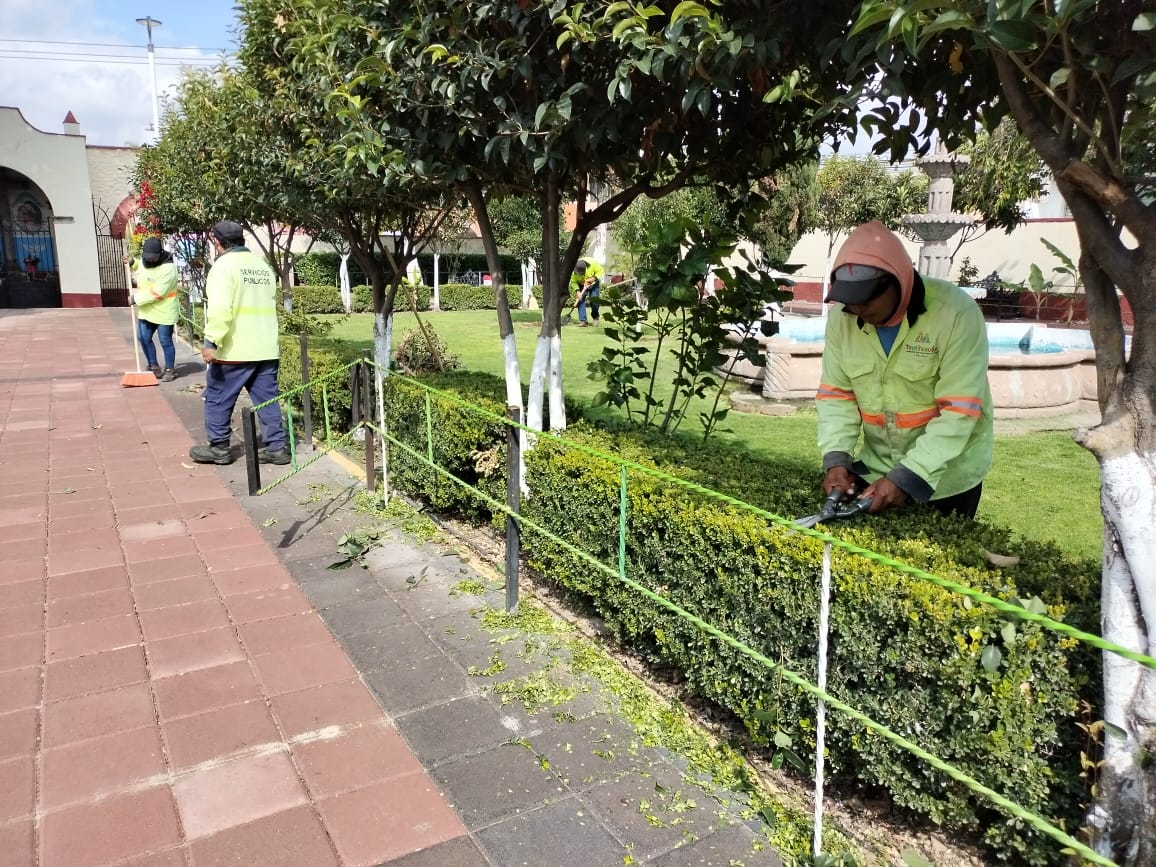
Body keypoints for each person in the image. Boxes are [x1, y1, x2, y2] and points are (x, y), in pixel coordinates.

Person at [816, 220, 993, 518]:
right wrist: (837, 460)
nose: (858, 309)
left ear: (900, 281)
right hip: (876, 472)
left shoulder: (956, 314)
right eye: (850, 301)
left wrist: (908, 477)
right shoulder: (841, 320)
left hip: (948, 480)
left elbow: (959, 411)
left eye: (867, 298)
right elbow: (837, 396)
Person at [189, 221, 291, 467]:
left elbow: (221, 310)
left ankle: (219, 448)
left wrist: (211, 341)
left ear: (217, 242)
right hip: (265, 347)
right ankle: (277, 448)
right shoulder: (262, 266)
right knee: (267, 399)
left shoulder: (223, 267)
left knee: (218, 397)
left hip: (234, 350)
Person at [128, 238, 180, 381]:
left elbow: (158, 293)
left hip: (164, 310)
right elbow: (142, 267)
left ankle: (170, 369)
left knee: (165, 340)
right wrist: (133, 262)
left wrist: (135, 299)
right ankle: (153, 365)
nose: (150, 261)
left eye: (153, 258)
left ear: (160, 254)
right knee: (143, 338)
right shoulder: (146, 260)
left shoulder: (168, 269)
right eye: (147, 258)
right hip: (147, 310)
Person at [569, 258, 604, 326]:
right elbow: (573, 282)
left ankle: (595, 318)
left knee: (594, 300)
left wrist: (594, 278)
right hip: (581, 284)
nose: (579, 275)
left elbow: (601, 272)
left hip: (593, 283)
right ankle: (583, 321)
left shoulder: (593, 264)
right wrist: (577, 291)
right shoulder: (574, 271)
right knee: (580, 300)